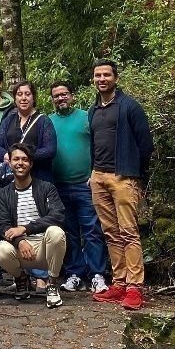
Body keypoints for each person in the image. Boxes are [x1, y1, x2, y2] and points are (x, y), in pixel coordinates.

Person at [87, 60, 153, 311]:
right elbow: (94, 144)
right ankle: (119, 282)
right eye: (97, 75)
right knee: (110, 233)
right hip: (99, 177)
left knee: (128, 231)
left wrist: (134, 173)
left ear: (116, 78)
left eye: (106, 75)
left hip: (123, 177)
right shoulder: (94, 110)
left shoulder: (129, 107)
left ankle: (135, 287)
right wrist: (93, 173)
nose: (101, 79)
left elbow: (145, 144)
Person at [49, 81, 109, 294]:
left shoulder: (86, 117)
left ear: (72, 96)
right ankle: (75, 273)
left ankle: (97, 274)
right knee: (69, 232)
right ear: (52, 99)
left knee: (92, 230)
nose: (61, 98)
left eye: (64, 94)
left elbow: (99, 146)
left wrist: (95, 172)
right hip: (59, 186)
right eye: (56, 96)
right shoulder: (49, 121)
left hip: (85, 184)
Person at [0, 144, 67, 309]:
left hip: (44, 248)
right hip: (20, 249)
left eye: (25, 159)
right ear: (9, 163)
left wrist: (25, 228)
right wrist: (19, 240)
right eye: (16, 159)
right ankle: (21, 279)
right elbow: (1, 225)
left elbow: (58, 216)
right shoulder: (4, 193)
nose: (20, 163)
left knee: (56, 232)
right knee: (1, 250)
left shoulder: (46, 188)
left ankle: (52, 284)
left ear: (31, 163)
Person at [0, 81, 57, 181]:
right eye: (19, 94)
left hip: (38, 179)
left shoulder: (44, 121)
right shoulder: (8, 121)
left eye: (27, 94)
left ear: (33, 97)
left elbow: (50, 150)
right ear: (15, 98)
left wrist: (23, 157)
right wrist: (7, 156)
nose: (23, 98)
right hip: (12, 180)